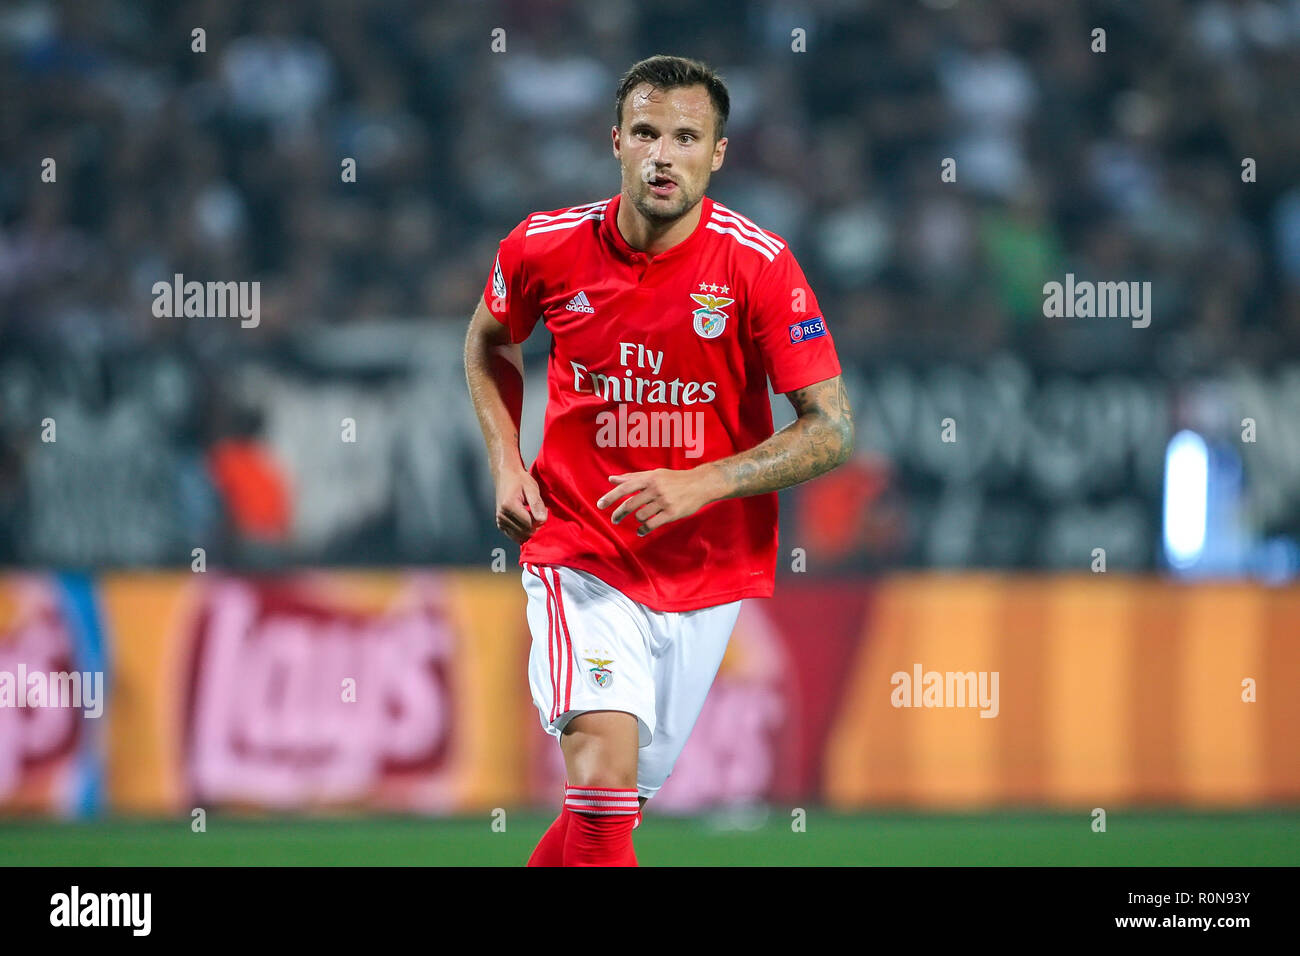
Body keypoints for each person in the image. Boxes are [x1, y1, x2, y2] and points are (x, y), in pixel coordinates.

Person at [464, 54, 853, 866]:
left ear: (718, 154)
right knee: (602, 791)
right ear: (615, 141)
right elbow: (489, 340)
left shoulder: (759, 265)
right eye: (646, 132)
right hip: (583, 552)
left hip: (707, 572)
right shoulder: (544, 246)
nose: (662, 154)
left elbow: (830, 429)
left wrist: (706, 480)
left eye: (686, 137)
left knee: (603, 819)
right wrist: (506, 461)